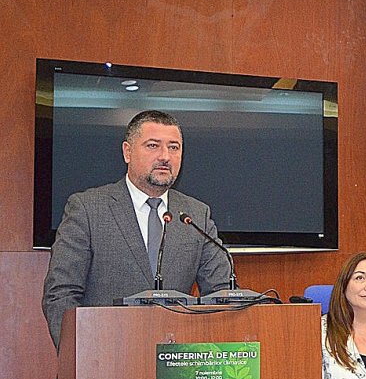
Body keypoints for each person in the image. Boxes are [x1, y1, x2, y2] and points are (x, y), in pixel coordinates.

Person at [42, 109, 232, 349]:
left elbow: (221, 292)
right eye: (153, 146)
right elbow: (61, 294)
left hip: (176, 361)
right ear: (127, 152)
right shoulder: (88, 208)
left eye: (174, 147)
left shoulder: (196, 214)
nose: (165, 156)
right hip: (105, 358)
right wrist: (81, 355)